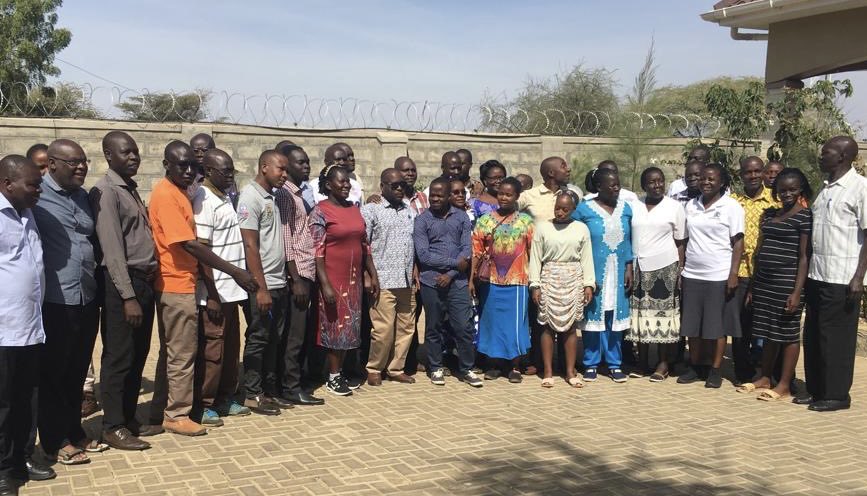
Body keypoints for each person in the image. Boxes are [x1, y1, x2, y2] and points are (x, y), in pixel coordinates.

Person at [145, 141, 257, 436]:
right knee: (187, 355)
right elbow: (193, 245)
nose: (188, 170)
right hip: (179, 283)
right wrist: (232, 274)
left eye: (190, 165)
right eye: (181, 165)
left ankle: (168, 410)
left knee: (192, 352)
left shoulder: (185, 194)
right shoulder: (176, 196)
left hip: (196, 283)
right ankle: (179, 413)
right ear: (166, 164)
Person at [32, 140, 103, 465]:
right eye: (73, 162)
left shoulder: (83, 196)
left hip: (86, 296)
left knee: (77, 371)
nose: (81, 167)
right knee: (53, 374)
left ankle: (74, 430)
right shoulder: (36, 197)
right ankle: (53, 440)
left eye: (84, 161)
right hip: (55, 299)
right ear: (53, 164)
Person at [90, 131, 157, 447]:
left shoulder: (129, 189)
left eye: (135, 152)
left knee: (139, 353)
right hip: (123, 285)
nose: (133, 157)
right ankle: (112, 425)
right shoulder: (106, 192)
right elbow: (113, 249)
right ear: (108, 154)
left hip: (143, 282)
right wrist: (128, 296)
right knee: (119, 355)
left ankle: (129, 418)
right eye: (126, 152)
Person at [801, 136, 867, 412]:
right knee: (814, 335)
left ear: (842, 156)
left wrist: (858, 277)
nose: (820, 156)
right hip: (818, 275)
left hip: (843, 278)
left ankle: (837, 395)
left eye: (825, 152)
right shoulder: (826, 188)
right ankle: (816, 390)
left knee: (836, 340)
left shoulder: (860, 188)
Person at [739, 168, 812, 401]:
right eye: (782, 190)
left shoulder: (804, 216)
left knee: (789, 335)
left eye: (792, 189)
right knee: (768, 332)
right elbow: (761, 249)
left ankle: (784, 384)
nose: (787, 194)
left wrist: (797, 291)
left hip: (787, 284)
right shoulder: (769, 214)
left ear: (800, 189)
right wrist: (752, 286)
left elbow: (804, 257)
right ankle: (765, 376)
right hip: (764, 284)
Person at [191, 148, 252, 425]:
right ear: (209, 171)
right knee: (212, 352)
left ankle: (226, 397)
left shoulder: (225, 196)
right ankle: (204, 404)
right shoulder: (203, 200)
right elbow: (202, 253)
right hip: (214, 292)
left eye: (232, 171)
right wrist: (212, 295)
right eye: (224, 171)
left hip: (232, 291)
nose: (229, 175)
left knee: (229, 349)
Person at [309, 165, 380, 396]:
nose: (346, 185)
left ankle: (341, 372)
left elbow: (364, 244)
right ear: (328, 185)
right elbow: (317, 251)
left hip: (353, 279)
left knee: (349, 326)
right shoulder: (320, 212)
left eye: (348, 181)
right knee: (334, 327)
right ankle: (332, 377)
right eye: (341, 181)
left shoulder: (353, 209)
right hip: (332, 278)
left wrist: (372, 273)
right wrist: (325, 284)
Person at [677, 163, 745, 389]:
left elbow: (738, 243)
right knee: (692, 325)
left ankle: (715, 369)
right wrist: (681, 269)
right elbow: (684, 240)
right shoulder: (691, 206)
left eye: (711, 179)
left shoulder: (731, 206)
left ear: (722, 182)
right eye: (703, 178)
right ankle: (696, 366)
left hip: (719, 274)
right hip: (693, 274)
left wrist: (733, 274)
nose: (706, 182)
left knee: (717, 326)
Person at [0, 155, 45, 495]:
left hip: (32, 327)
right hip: (4, 329)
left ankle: (23, 458)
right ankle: (3, 472)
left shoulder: (28, 214)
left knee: (26, 400)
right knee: (2, 404)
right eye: (32, 185)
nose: (38, 190)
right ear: (7, 184)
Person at [237, 151, 291, 415]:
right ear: (264, 166)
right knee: (258, 338)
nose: (284, 174)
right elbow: (250, 245)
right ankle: (251, 393)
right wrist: (260, 288)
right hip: (264, 282)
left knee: (274, 339)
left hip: (278, 280)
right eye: (280, 169)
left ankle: (269, 391)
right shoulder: (250, 197)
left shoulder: (274, 197)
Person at [414, 177, 481, 387]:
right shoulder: (422, 220)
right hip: (431, 282)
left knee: (463, 327)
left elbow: (467, 249)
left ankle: (467, 368)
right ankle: (435, 367)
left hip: (458, 283)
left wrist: (451, 273)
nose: (435, 198)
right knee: (433, 327)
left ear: (447, 196)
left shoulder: (460, 217)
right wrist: (454, 264)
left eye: (439, 195)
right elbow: (423, 255)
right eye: (432, 195)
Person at [518, 156, 579, 376]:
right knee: (540, 319)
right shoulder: (530, 196)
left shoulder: (573, 193)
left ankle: (566, 363)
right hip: (539, 264)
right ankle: (539, 361)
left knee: (567, 318)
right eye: (563, 166)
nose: (568, 168)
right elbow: (509, 210)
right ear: (551, 173)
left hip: (567, 266)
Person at [572, 168, 634, 383]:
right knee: (593, 316)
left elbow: (629, 241)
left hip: (618, 271)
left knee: (614, 317)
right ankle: (591, 363)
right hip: (594, 271)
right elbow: (574, 236)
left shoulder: (626, 209)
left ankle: (614, 363)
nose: (617, 188)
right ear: (599, 187)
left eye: (618, 184)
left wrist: (628, 267)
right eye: (612, 185)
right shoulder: (583, 210)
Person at [274, 145, 324, 406]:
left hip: (306, 270)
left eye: (307, 162)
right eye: (299, 163)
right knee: (294, 335)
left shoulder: (298, 194)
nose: (306, 167)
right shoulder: (285, 195)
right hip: (298, 274)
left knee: (300, 333)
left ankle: (294, 381)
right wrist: (296, 280)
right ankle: (290, 386)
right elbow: (286, 239)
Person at [471, 178, 534, 383]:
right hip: (490, 281)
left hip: (517, 281)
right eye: (501, 194)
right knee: (492, 323)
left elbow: (533, 251)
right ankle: (494, 364)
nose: (504, 198)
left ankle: (514, 366)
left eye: (509, 194)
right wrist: (472, 279)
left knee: (515, 325)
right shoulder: (485, 220)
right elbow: (477, 251)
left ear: (516, 197)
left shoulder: (526, 222)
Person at [529, 191, 594, 387]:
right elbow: (535, 257)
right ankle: (548, 372)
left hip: (573, 277)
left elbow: (586, 257)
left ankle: (569, 371)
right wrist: (535, 285)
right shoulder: (542, 228)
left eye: (565, 209)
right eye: (557, 207)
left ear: (574, 209)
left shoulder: (581, 228)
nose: (560, 212)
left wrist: (588, 284)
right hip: (549, 276)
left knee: (571, 328)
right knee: (547, 326)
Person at [627, 167, 686, 381]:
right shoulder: (634, 206)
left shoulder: (674, 207)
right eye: (651, 182)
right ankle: (642, 363)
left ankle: (662, 364)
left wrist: (680, 270)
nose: (657, 185)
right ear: (644, 186)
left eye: (660, 181)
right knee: (641, 316)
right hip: (639, 268)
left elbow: (680, 242)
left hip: (665, 268)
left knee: (662, 317)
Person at [362, 168, 417, 386]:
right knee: (383, 329)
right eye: (394, 185)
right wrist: (368, 275)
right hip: (382, 280)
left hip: (406, 280)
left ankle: (396, 368)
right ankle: (374, 368)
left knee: (406, 327)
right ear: (382, 186)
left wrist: (415, 270)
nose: (399, 188)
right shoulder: (371, 210)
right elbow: (363, 245)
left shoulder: (408, 210)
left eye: (402, 185)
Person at [731, 156, 779, 383]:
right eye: (748, 172)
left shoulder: (775, 201)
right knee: (741, 324)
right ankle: (743, 370)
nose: (752, 176)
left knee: (768, 324)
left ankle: (771, 370)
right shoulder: (732, 201)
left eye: (757, 171)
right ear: (741, 175)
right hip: (739, 272)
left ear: (763, 172)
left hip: (767, 273)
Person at [187, 133, 214, 199]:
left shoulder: (223, 177)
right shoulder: (186, 178)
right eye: (195, 151)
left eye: (204, 151)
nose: (199, 154)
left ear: (214, 151)